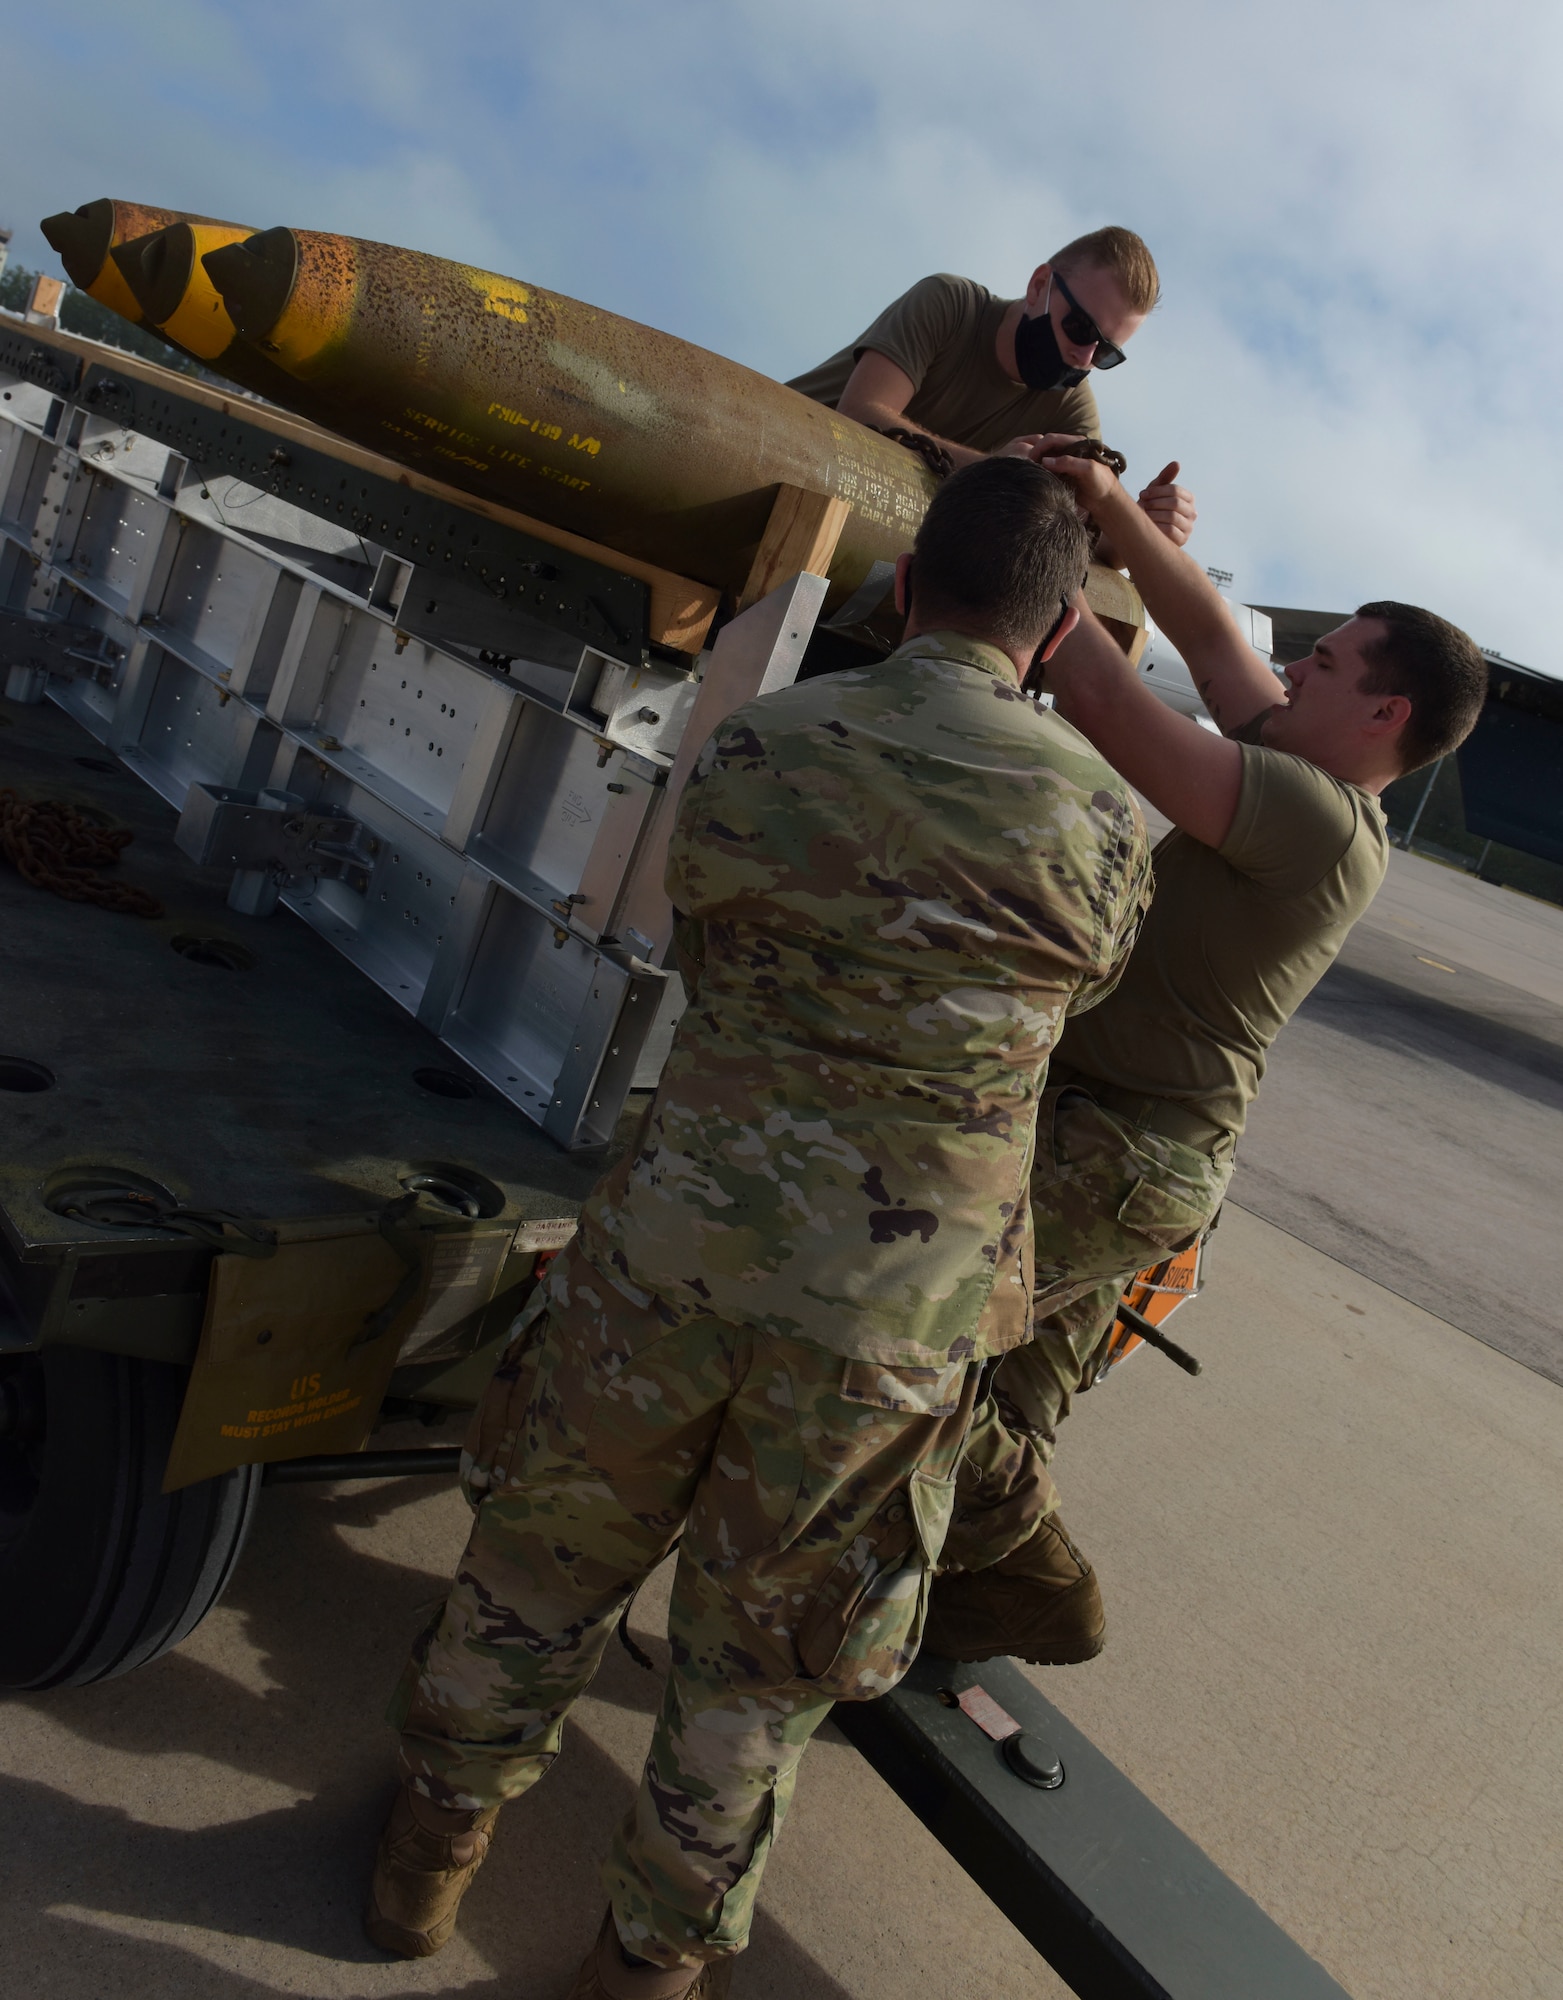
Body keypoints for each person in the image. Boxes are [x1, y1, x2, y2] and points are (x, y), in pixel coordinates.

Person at [364, 456, 1152, 1996]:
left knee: (535, 1564)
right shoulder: (1103, 824)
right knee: (758, 1669)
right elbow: (1084, 1000)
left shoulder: (764, 740)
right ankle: (645, 1965)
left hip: (671, 1250)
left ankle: (423, 1864)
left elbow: (698, 933)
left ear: (910, 588)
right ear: (1060, 636)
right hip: (887, 1329)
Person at [926, 449, 1490, 1669]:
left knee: (909, 1341)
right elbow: (1215, 636)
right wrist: (1110, 504)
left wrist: (1013, 559)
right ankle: (981, 1589)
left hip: (1119, 1148)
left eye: (1327, 663)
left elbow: (1107, 704)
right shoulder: (1308, 766)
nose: (1291, 668)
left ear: (1385, 716)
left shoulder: (1314, 816)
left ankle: (1033, 1572)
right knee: (1008, 1398)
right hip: (1135, 1148)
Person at [788, 225, 1196, 552]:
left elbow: (1081, 536)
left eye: (1105, 352)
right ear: (1039, 286)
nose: (1084, 357)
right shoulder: (950, 305)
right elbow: (859, 414)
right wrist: (991, 472)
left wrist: (1140, 528)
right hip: (778, 464)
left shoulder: (1071, 413)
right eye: (1080, 328)